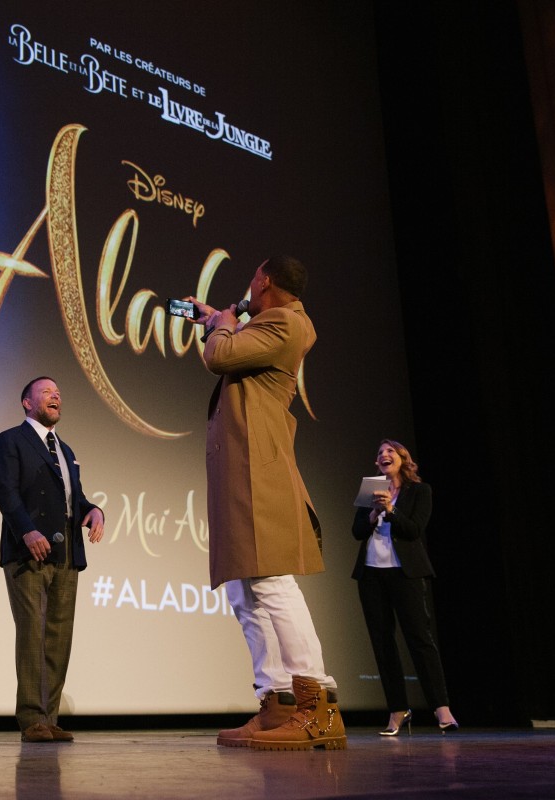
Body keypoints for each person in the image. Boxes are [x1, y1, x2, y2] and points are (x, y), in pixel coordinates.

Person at [189, 255, 346, 751]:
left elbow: (220, 357)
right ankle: (275, 699)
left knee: (273, 580)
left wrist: (222, 324)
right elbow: (227, 353)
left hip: (261, 469)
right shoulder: (269, 324)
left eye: (253, 280)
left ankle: (317, 702)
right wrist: (218, 323)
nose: (248, 289)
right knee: (244, 590)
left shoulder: (284, 321)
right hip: (242, 468)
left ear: (266, 282)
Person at [0, 376, 104, 743]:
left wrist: (94, 511)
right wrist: (27, 530)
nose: (56, 396)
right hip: (30, 550)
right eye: (47, 392)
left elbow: (76, 498)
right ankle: (31, 719)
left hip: (67, 552)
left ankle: (49, 717)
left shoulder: (66, 449)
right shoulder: (10, 441)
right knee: (34, 634)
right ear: (27, 402)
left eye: (58, 392)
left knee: (58, 636)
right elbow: (6, 494)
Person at [352, 439, 458, 735]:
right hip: (371, 575)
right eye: (379, 453)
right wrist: (373, 514)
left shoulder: (419, 491)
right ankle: (397, 711)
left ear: (402, 459)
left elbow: (414, 530)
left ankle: (442, 709)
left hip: (405, 574)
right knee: (383, 644)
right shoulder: (369, 489)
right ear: (376, 464)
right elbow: (356, 531)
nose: (384, 455)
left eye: (390, 452)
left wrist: (392, 511)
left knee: (420, 640)